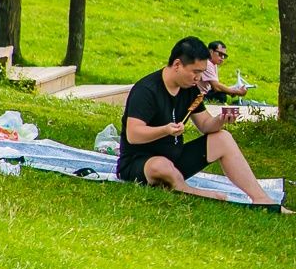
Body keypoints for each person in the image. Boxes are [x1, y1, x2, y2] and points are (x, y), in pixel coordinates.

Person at [117, 36, 279, 207]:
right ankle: (196, 193)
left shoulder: (190, 90)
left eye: (202, 72)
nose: (198, 78)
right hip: (140, 163)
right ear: (177, 65)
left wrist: (220, 120)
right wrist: (165, 130)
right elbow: (133, 135)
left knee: (222, 137)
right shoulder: (147, 90)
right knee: (161, 166)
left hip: (175, 160)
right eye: (195, 72)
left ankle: (261, 198)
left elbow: (205, 125)